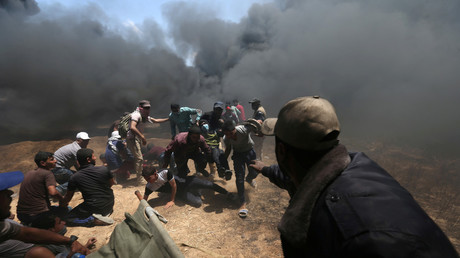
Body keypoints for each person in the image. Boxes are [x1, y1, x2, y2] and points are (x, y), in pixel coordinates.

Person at [250, 96, 459, 257]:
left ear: (283, 152)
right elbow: (296, 177)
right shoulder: (350, 165)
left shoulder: (357, 238)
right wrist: (265, 168)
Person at [0, 171, 90, 258]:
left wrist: (70, 241)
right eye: (4, 193)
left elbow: (27, 234)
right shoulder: (38, 251)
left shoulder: (3, 225)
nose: (11, 194)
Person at [61, 148, 115, 227]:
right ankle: (104, 213)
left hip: (95, 207)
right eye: (94, 156)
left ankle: (92, 220)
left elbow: (68, 197)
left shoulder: (75, 177)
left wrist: (61, 206)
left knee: (67, 219)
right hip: (110, 204)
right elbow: (111, 183)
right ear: (88, 159)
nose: (95, 158)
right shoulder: (104, 169)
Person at [222, 119, 261, 218]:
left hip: (249, 152)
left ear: (234, 129)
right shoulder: (226, 138)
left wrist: (259, 129)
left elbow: (256, 124)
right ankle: (242, 202)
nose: (230, 136)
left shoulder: (243, 129)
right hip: (238, 155)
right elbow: (229, 149)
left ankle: (249, 179)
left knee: (254, 172)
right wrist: (223, 161)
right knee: (239, 178)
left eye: (231, 133)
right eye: (227, 134)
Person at [16, 151, 67, 227]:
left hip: (21, 215)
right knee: (66, 212)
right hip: (39, 215)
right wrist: (63, 200)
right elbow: (53, 192)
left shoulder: (29, 173)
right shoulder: (47, 173)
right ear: (43, 163)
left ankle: (29, 224)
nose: (55, 161)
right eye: (52, 159)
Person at [142, 165, 229, 208]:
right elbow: (144, 199)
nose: (148, 181)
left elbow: (174, 186)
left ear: (155, 174)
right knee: (198, 203)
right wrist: (142, 207)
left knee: (209, 184)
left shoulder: (165, 172)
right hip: (181, 192)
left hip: (187, 182)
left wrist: (172, 200)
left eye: (149, 178)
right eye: (146, 179)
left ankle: (227, 193)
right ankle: (197, 190)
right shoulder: (150, 186)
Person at [126, 100, 169, 185]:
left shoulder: (144, 116)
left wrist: (168, 119)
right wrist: (142, 137)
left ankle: (140, 177)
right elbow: (132, 127)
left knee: (138, 158)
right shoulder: (136, 115)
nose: (148, 109)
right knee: (139, 158)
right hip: (132, 138)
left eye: (149, 108)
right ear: (140, 108)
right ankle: (140, 179)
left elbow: (155, 121)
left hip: (136, 138)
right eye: (146, 108)